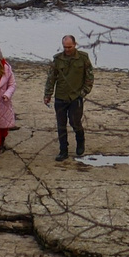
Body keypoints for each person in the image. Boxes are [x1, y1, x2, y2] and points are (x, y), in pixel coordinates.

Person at [43, 34, 94, 162]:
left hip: (76, 97)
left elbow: (89, 77)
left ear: (75, 44)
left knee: (75, 122)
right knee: (61, 125)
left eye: (69, 47)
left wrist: (84, 92)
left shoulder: (83, 58)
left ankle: (80, 141)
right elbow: (51, 78)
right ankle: (63, 150)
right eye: (65, 47)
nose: (67, 49)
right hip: (60, 96)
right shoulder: (58, 59)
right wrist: (47, 94)